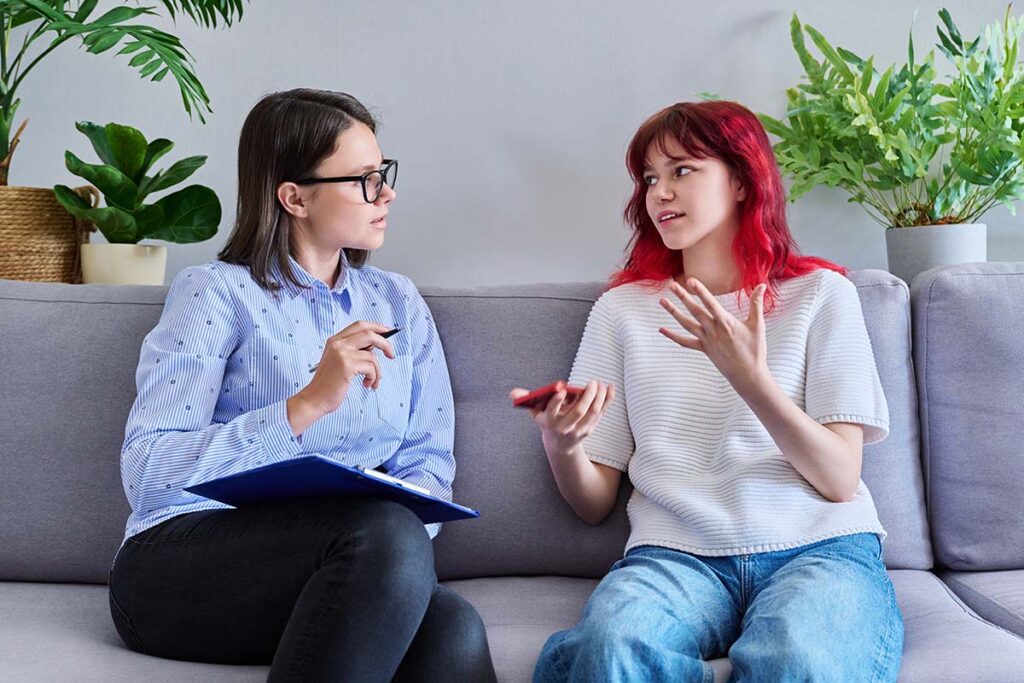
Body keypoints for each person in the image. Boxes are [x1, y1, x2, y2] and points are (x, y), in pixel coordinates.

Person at [109, 88, 496, 683]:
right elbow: (148, 473)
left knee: (453, 626)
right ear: (294, 197)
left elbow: (427, 460)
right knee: (386, 532)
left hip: (355, 566)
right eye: (365, 179)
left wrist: (395, 529)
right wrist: (306, 405)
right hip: (180, 565)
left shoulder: (399, 304)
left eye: (384, 173)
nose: (386, 192)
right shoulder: (216, 293)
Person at [512, 100, 903, 682]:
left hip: (818, 550)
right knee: (609, 650)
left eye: (681, 171)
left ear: (743, 181)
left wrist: (749, 378)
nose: (659, 193)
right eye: (649, 178)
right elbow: (593, 505)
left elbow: (840, 478)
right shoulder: (623, 311)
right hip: (675, 558)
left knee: (800, 662)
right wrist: (562, 444)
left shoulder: (823, 295)